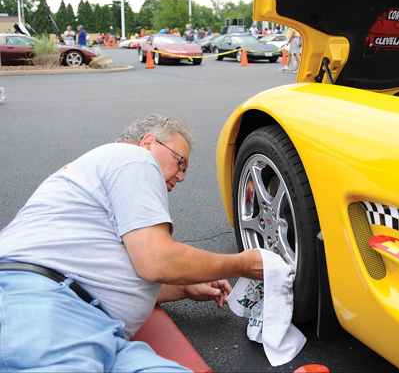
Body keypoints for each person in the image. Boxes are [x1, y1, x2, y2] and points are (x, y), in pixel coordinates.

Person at [0, 114, 263, 372]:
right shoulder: (133, 157)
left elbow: (114, 272)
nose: (181, 177)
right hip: (48, 309)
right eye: (179, 162)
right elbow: (156, 260)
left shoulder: (101, 176)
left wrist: (183, 288)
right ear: (149, 142)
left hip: (96, 328)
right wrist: (241, 264)